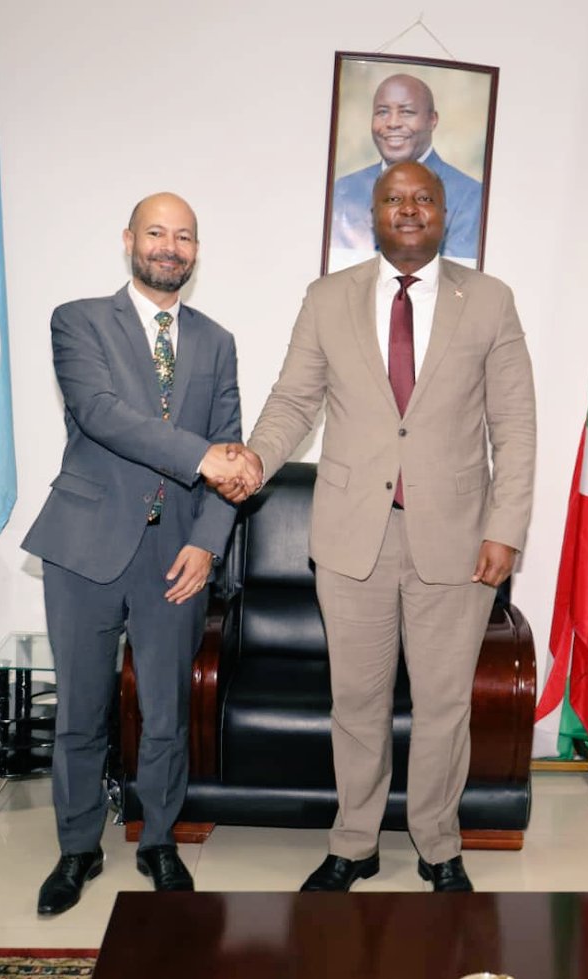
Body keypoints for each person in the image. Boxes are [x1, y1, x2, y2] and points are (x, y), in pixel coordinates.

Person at [218, 162, 535, 892]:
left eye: (424, 197)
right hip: (351, 538)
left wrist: (506, 527)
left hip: (455, 539)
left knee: (443, 704)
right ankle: (354, 842)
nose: (410, 208)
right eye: (395, 198)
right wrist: (256, 460)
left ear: (445, 212)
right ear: (374, 214)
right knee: (355, 701)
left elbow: (515, 425)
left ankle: (438, 844)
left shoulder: (488, 301)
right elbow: (294, 399)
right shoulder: (328, 298)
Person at [22, 192, 249, 913]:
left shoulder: (217, 341)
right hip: (86, 548)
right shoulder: (78, 319)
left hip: (175, 556)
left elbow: (231, 445)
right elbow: (102, 415)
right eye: (157, 232)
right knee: (81, 711)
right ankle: (77, 848)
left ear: (197, 251)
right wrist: (205, 459)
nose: (169, 247)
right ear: (129, 238)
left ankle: (157, 841)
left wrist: (209, 543)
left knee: (165, 713)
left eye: (184, 236)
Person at [330, 74, 483, 269]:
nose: (392, 123)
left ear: (432, 120)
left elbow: (456, 281)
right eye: (382, 112)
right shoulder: (344, 191)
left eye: (407, 112)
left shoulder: (469, 196)